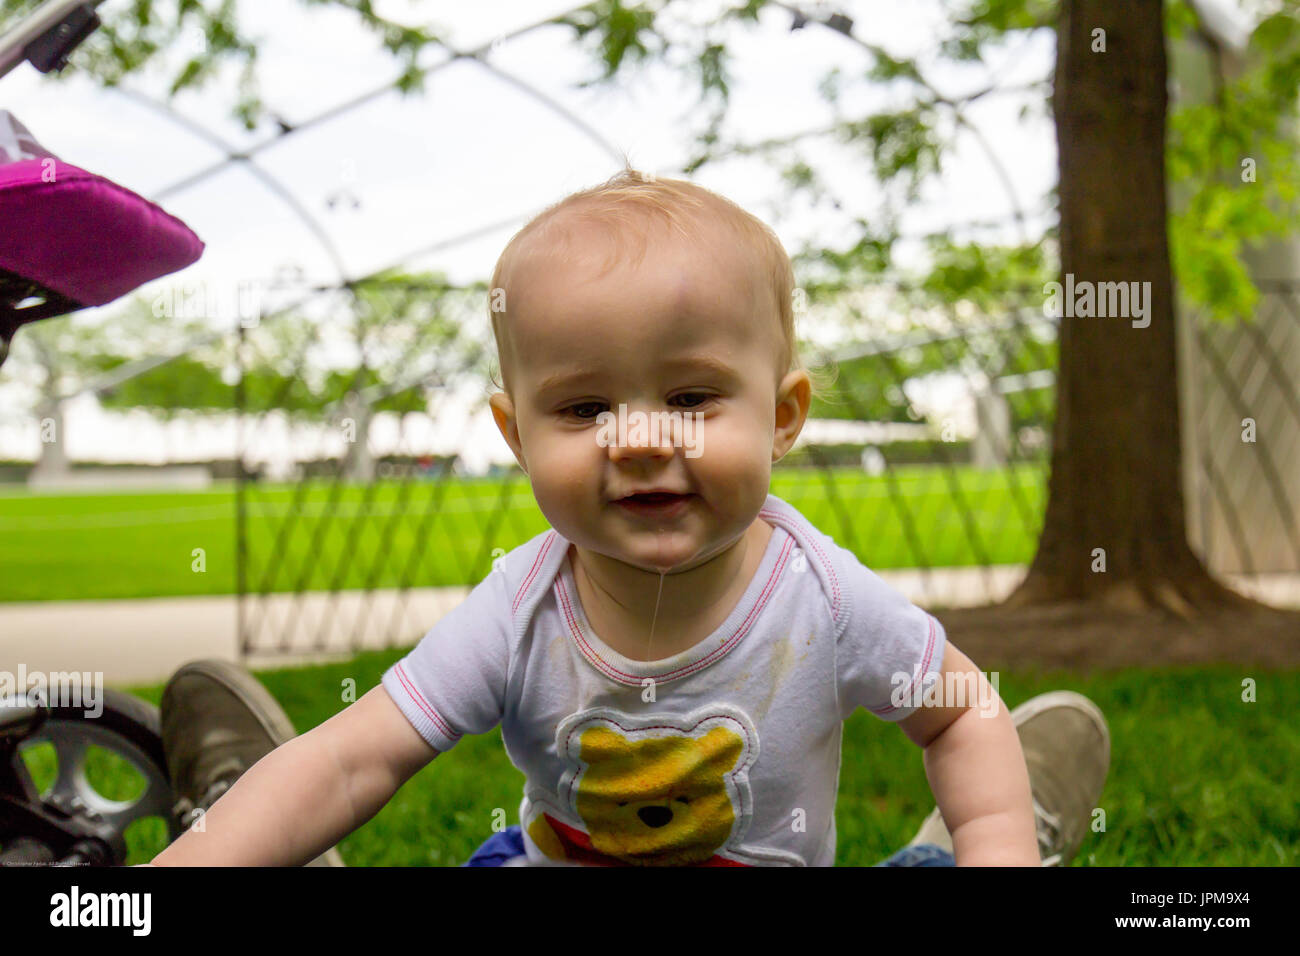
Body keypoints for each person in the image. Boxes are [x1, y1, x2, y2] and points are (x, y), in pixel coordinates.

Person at [145, 168, 1109, 867]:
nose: (641, 438)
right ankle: (248, 831)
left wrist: (995, 843)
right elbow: (350, 761)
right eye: (583, 408)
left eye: (691, 397)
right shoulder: (518, 611)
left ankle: (984, 831)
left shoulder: (822, 596)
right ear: (517, 435)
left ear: (782, 418)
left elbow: (961, 714)